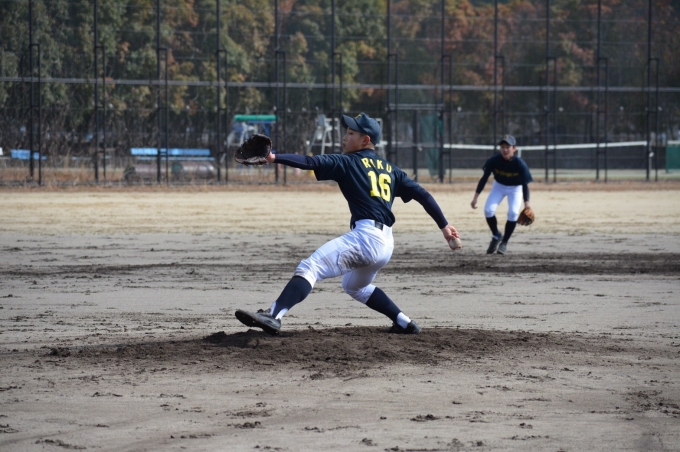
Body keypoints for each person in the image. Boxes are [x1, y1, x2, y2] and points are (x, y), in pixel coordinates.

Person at [235, 112, 460, 335]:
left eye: (351, 133)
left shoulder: (348, 162)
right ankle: (404, 322)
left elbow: (309, 162)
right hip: (386, 244)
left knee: (310, 267)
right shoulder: (392, 170)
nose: (345, 137)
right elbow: (423, 195)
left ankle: (274, 315)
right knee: (354, 286)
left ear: (365, 140)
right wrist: (444, 226)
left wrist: (273, 157)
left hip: (366, 239)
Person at [471, 134, 533, 255]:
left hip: (515, 188)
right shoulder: (494, 160)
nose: (505, 150)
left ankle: (504, 242)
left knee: (513, 213)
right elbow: (484, 178)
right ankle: (496, 235)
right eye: (502, 147)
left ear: (514, 148)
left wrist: (527, 204)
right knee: (488, 210)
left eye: (507, 147)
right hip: (499, 186)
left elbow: (525, 185)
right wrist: (475, 198)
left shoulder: (520, 164)